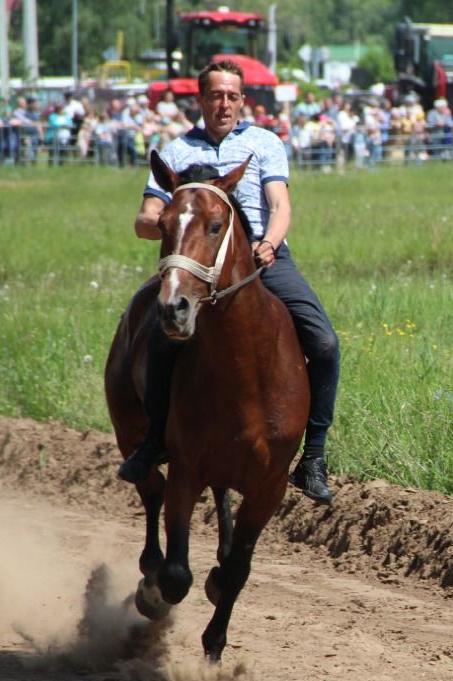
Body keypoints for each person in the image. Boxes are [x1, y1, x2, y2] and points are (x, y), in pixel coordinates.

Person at [120, 60, 339, 504]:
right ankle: (153, 441)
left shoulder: (264, 144)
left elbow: (279, 206)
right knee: (161, 340)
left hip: (260, 258)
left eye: (232, 96)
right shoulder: (177, 151)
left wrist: (270, 244)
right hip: (196, 263)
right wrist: (160, 221)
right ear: (200, 99)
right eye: (215, 95)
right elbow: (147, 216)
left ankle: (312, 456)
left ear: (243, 100)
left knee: (324, 343)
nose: (224, 103)